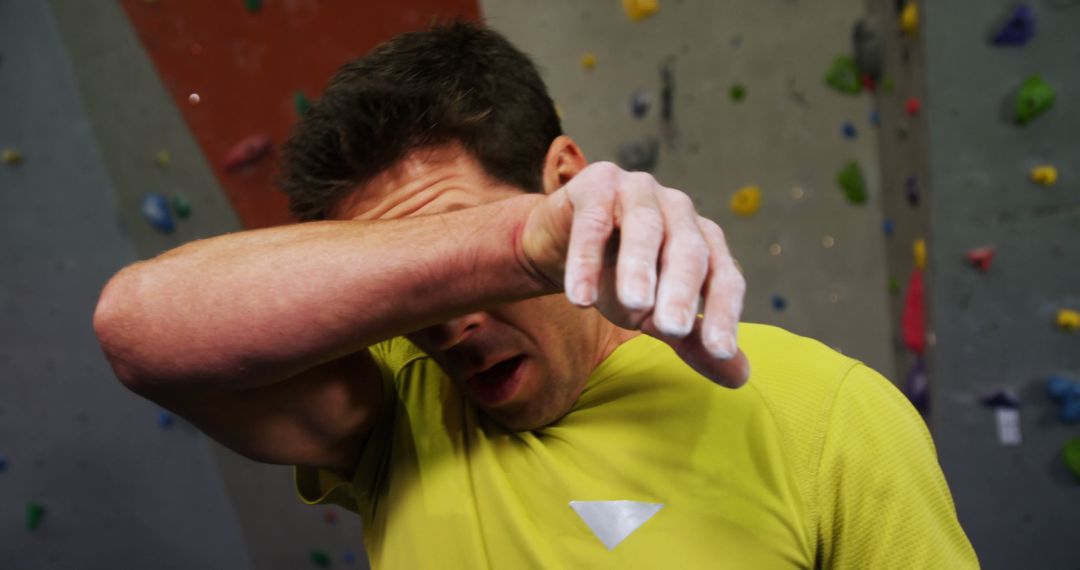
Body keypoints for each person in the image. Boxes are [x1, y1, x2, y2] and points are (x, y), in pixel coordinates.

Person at [93, 21, 977, 569]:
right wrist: (505, 243)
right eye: (412, 277)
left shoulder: (830, 414)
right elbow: (138, 331)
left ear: (565, 180)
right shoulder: (395, 411)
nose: (444, 324)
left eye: (468, 242)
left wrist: (537, 245)